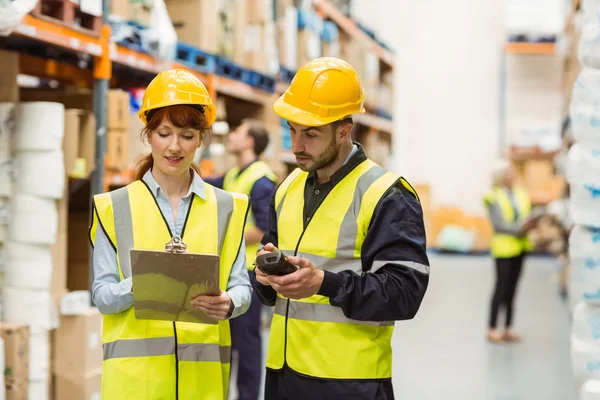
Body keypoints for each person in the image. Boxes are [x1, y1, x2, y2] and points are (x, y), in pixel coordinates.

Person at [251, 57, 430, 400]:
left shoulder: (385, 194)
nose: (297, 145)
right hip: (283, 375)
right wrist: (264, 279)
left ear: (344, 131)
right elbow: (270, 282)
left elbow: (405, 292)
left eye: (311, 134)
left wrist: (325, 283)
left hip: (349, 382)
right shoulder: (287, 188)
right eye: (292, 129)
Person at [89, 69, 252, 400]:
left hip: (201, 385)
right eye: (164, 133)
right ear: (148, 135)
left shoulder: (227, 207)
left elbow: (241, 285)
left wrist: (230, 302)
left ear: (201, 139)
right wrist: (142, 283)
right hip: (136, 386)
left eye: (187, 135)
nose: (174, 147)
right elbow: (103, 295)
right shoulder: (113, 207)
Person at [204, 119, 277, 400]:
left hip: (248, 273)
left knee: (246, 344)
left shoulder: (261, 180)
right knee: (228, 342)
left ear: (249, 142)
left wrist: (224, 236)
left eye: (237, 131)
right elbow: (211, 186)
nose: (232, 135)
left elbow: (261, 229)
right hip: (230, 270)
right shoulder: (235, 174)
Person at [484, 159, 535, 344]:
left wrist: (530, 223)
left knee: (513, 289)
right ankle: (492, 328)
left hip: (521, 248)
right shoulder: (492, 196)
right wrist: (521, 228)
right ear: (500, 176)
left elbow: (525, 215)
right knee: (501, 288)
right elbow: (499, 225)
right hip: (504, 249)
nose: (513, 174)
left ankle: (508, 327)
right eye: (509, 172)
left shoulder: (521, 194)